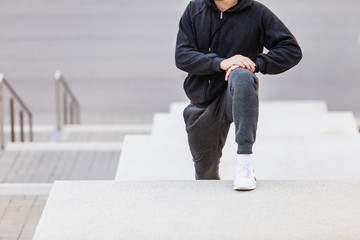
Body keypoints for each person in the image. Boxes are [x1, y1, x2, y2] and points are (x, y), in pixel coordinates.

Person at [175, 0, 302, 190]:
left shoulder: (256, 12)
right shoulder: (195, 9)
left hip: (235, 94)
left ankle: (244, 166)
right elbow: (182, 55)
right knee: (205, 177)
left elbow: (291, 50)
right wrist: (220, 63)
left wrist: (254, 64)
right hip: (202, 103)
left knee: (242, 75)